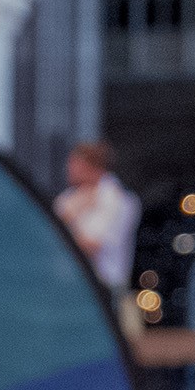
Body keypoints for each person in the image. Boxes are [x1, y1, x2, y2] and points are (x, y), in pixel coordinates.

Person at [53, 142, 143, 338]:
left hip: (103, 290)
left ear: (91, 167)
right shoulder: (69, 199)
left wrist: (68, 220)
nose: (68, 169)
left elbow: (94, 245)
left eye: (74, 164)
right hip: (68, 289)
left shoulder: (119, 201)